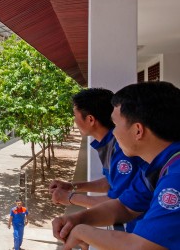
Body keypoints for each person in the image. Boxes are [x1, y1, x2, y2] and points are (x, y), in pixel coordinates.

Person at [52, 81, 180, 250]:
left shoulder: (175, 176)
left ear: (138, 130)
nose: (113, 132)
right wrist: (77, 219)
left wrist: (81, 231)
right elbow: (125, 206)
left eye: (116, 125)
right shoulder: (159, 166)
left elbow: (142, 246)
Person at [49, 88, 144, 232]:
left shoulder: (120, 149)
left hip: (141, 231)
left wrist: (70, 197)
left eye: (75, 116)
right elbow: (111, 182)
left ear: (91, 119)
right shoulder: (108, 145)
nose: (73, 121)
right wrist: (73, 186)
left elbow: (118, 203)